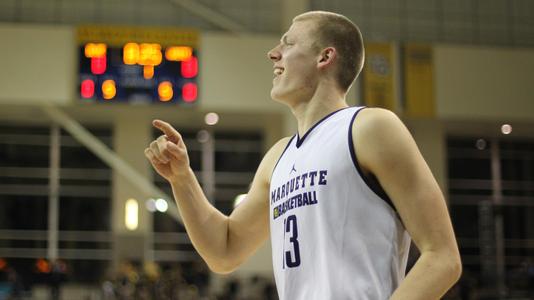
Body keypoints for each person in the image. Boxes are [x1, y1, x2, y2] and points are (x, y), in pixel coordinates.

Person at [144, 10, 462, 299]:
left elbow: (443, 257)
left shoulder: (371, 128)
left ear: (325, 57)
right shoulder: (277, 157)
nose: (273, 54)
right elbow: (224, 251)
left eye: (288, 44)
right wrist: (181, 177)